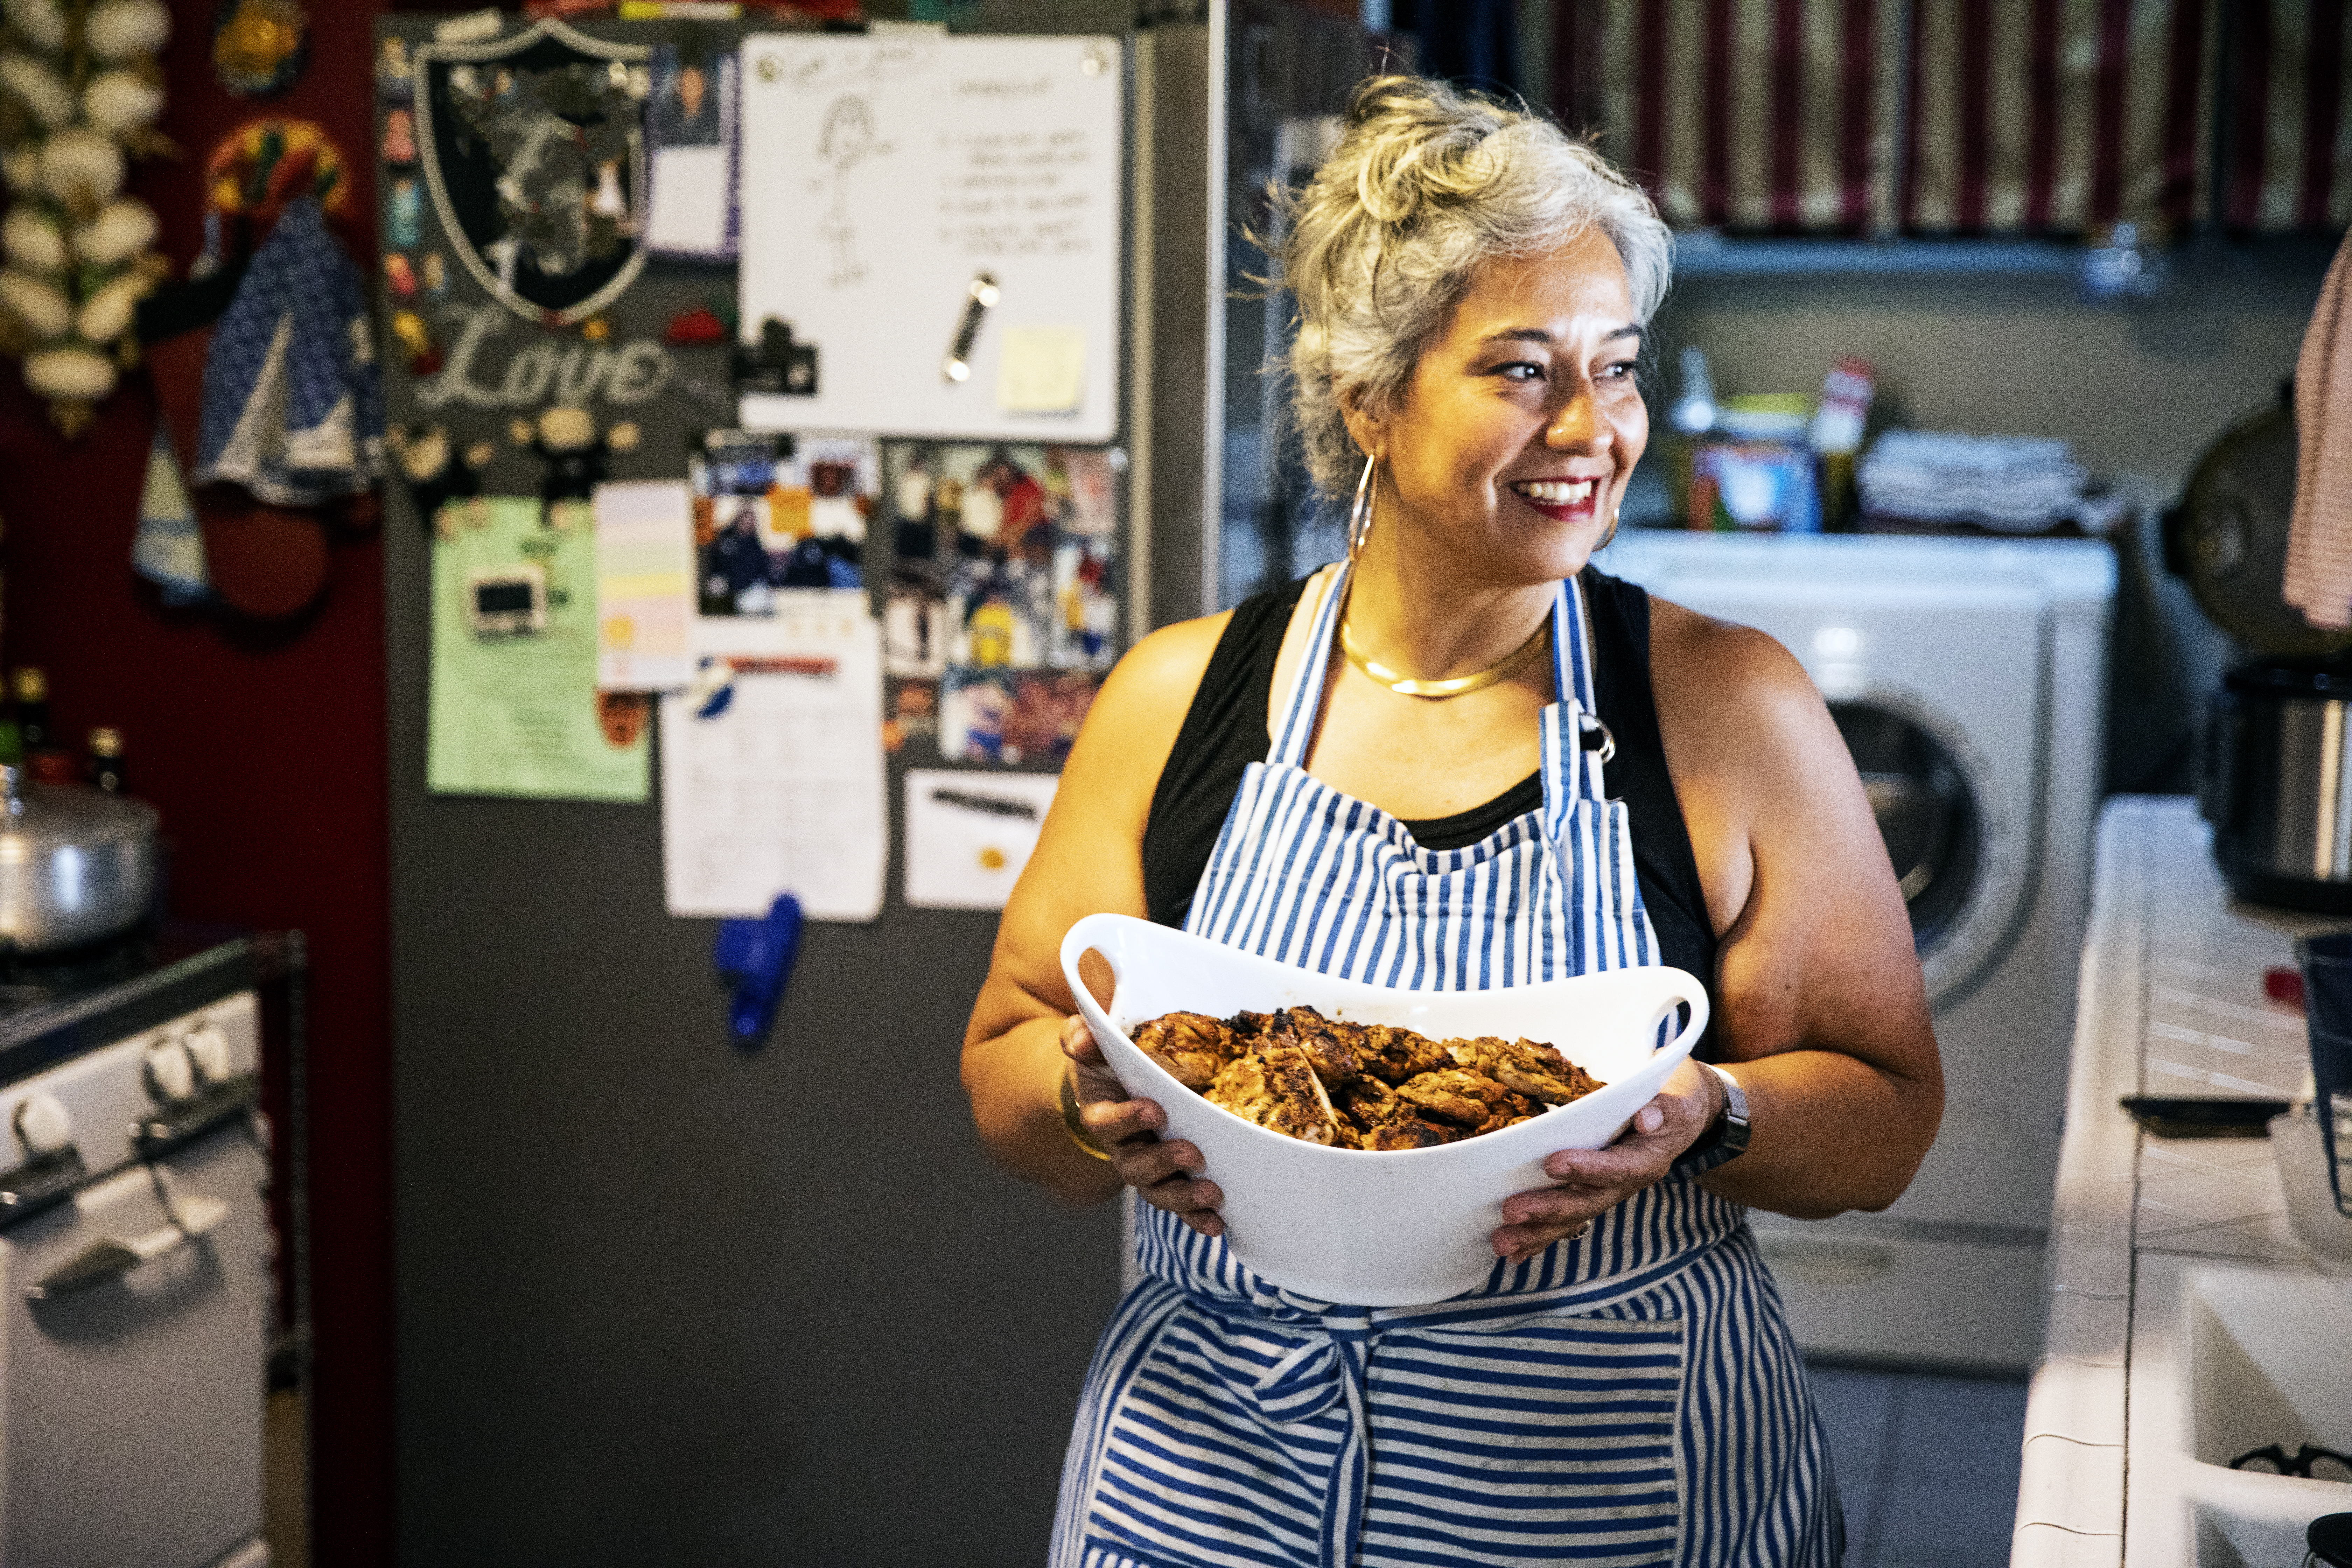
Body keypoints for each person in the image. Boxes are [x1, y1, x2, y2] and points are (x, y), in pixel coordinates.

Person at [961, 76, 1941, 1567]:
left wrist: (1703, 1117)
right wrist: (1090, 1101)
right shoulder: (1178, 701)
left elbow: (1885, 1112)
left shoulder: (1728, 709)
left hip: (1609, 1492)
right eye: (1523, 370)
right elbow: (1006, 1072)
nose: (1593, 429)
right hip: (1210, 1489)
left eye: (1618, 367)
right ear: (1371, 397)